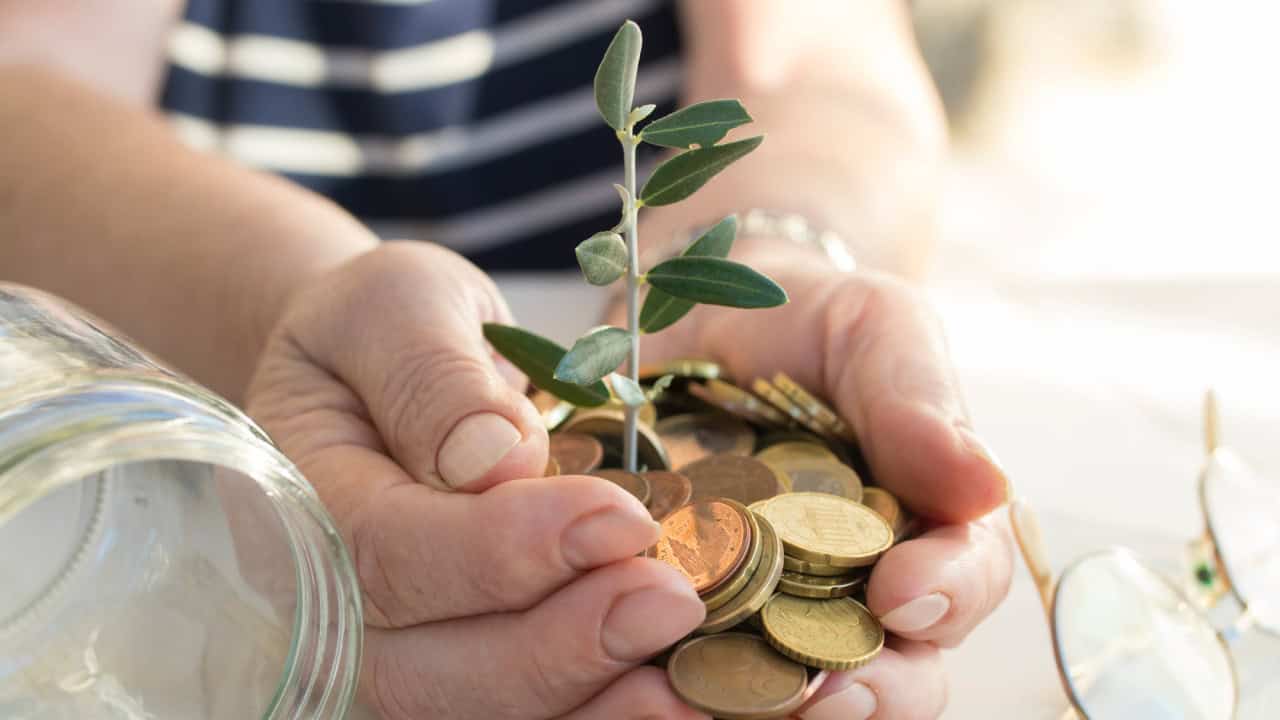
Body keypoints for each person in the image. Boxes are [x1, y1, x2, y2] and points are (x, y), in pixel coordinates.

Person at [0, 2, 1013, 718]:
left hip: (612, 351)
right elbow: (23, 86)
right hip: (175, 472)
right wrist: (295, 307)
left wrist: (775, 249)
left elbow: (815, 63)